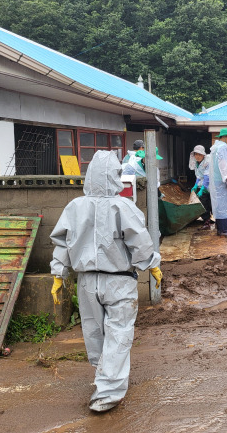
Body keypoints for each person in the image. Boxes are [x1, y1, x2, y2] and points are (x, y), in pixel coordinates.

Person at [49, 150, 162, 412]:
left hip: (87, 282)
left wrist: (58, 274)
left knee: (95, 332)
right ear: (114, 177)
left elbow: (62, 244)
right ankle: (107, 389)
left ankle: (107, 381)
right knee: (117, 333)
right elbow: (140, 242)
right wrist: (153, 266)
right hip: (118, 281)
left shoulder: (74, 207)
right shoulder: (123, 207)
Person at [209, 128, 227, 237]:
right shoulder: (223, 147)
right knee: (224, 205)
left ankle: (220, 229)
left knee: (219, 205)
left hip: (216, 180)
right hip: (222, 180)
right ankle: (224, 230)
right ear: (224, 137)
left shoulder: (216, 147)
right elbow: (223, 163)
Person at [189, 145, 212, 229]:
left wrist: (203, 188)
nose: (197, 156)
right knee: (203, 203)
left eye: (199, 154)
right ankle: (206, 219)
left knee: (209, 203)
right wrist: (195, 185)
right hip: (202, 184)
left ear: (203, 155)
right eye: (196, 154)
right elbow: (199, 176)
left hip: (209, 185)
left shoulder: (207, 162)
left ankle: (208, 221)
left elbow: (207, 177)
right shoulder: (196, 164)